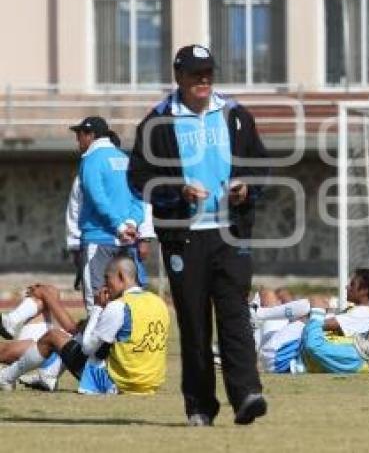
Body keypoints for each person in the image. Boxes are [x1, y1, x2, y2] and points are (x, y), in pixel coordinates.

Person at [128, 44, 269, 426]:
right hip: (184, 239)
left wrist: (246, 188)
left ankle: (247, 395)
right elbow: (138, 179)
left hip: (230, 235)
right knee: (194, 323)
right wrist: (178, 192)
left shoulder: (236, 115)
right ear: (179, 77)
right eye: (195, 73)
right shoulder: (157, 122)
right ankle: (200, 406)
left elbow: (261, 167)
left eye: (208, 71)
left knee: (236, 315)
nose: (203, 79)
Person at [0, 255, 170, 395]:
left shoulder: (119, 306)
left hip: (118, 384)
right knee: (77, 336)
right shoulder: (159, 303)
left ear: (120, 276)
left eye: (107, 278)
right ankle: (47, 375)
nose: (104, 285)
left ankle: (6, 377)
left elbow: (87, 348)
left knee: (53, 336)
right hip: (150, 384)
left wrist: (97, 308)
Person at [71, 116, 146, 314]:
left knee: (96, 300)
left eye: (79, 135)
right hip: (127, 241)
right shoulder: (125, 159)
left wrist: (119, 227)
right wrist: (131, 223)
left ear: (91, 135)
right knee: (127, 299)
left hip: (99, 237)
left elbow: (97, 197)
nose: (77, 140)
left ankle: (98, 344)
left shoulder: (90, 160)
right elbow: (139, 197)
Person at [252, 269, 369, 374]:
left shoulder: (363, 314)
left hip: (280, 356)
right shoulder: (358, 310)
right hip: (277, 350)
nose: (346, 287)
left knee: (312, 301)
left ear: (364, 291)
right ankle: (254, 321)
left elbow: (317, 323)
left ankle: (256, 315)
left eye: (352, 284)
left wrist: (314, 311)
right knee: (268, 294)